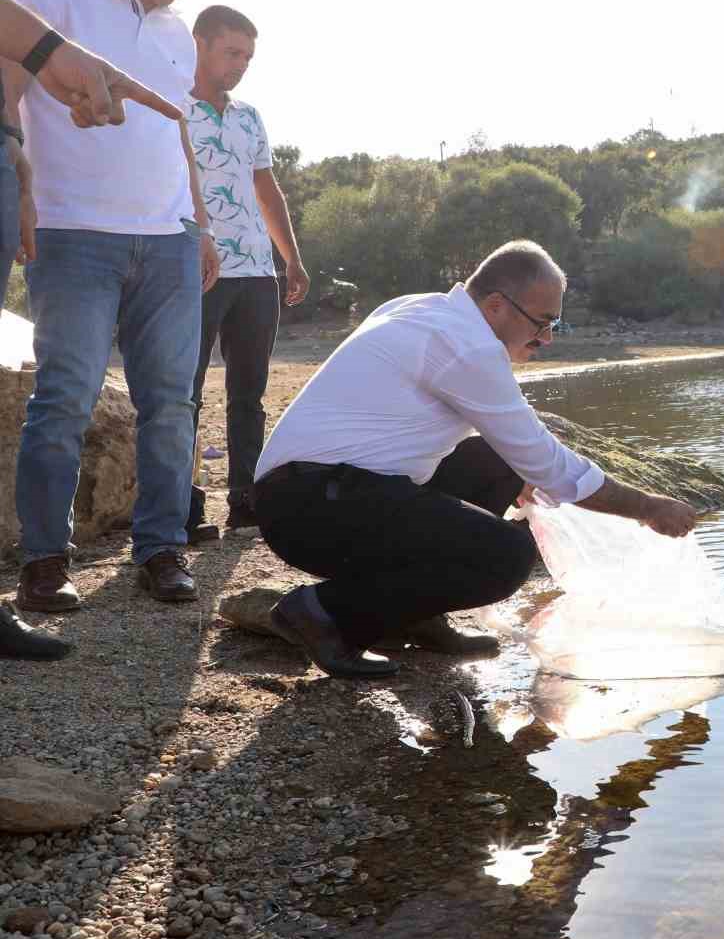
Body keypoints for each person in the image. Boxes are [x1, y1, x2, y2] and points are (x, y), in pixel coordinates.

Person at [253, 239, 699, 679]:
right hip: (308, 506)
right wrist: (648, 507)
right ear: (495, 306)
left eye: (554, 326)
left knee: (499, 460)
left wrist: (522, 471)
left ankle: (410, 615)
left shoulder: (424, 307)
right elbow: (549, 466)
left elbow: (517, 451)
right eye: (542, 322)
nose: (546, 338)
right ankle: (323, 614)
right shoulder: (468, 348)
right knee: (504, 557)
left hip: (315, 491)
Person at [1, 0, 225, 622]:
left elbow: (176, 131)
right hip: (71, 234)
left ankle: (160, 549)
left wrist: (198, 223)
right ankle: (44, 561)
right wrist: (19, 178)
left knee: (172, 404)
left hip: (167, 242)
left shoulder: (180, 34)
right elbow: (8, 87)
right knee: (63, 398)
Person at [184, 5, 308, 537]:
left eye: (248, 57)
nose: (240, 65)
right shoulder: (169, 107)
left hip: (257, 271)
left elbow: (266, 189)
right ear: (200, 44)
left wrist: (291, 258)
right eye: (232, 52)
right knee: (183, 392)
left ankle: (245, 501)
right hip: (193, 266)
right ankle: (182, 508)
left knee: (248, 391)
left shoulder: (248, 116)